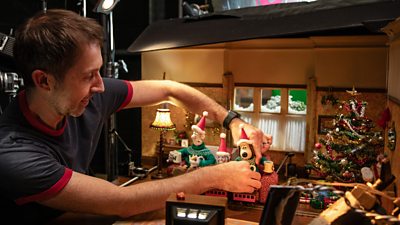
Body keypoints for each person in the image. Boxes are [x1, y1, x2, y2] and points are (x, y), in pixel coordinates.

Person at [0, 9, 272, 224]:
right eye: (87, 76)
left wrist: (233, 121)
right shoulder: (14, 154)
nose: (101, 86)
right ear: (44, 81)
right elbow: (122, 202)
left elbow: (169, 90)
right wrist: (214, 176)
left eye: (99, 71)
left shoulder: (90, 95)